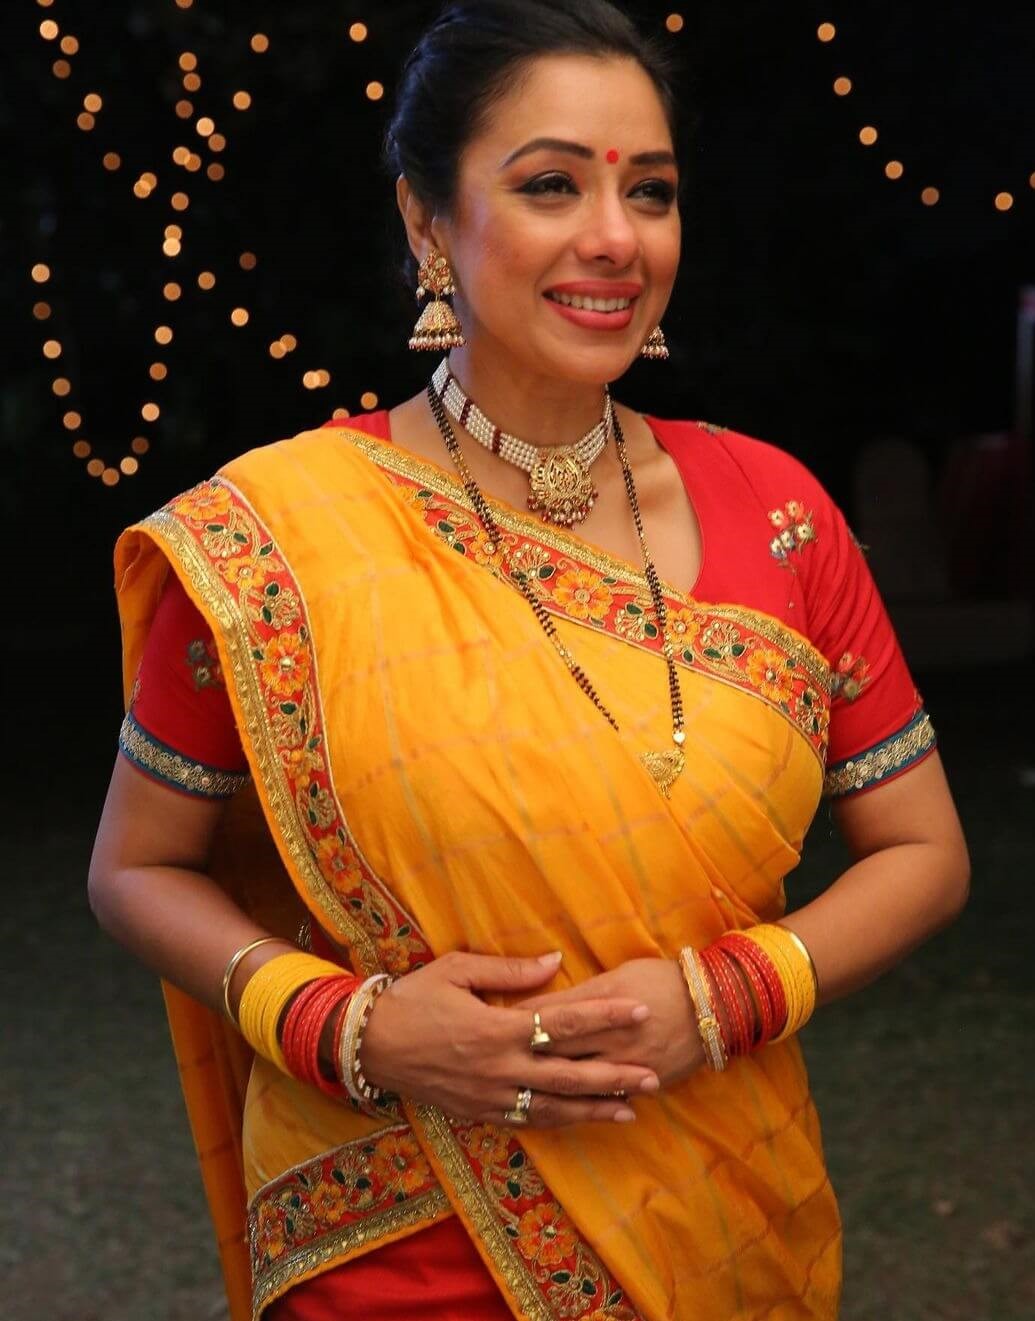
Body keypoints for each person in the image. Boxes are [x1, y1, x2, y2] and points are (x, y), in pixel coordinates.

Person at [88, 2, 970, 1318]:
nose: (616, 236)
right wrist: (349, 1025)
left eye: (650, 191)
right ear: (428, 223)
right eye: (551, 184)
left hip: (719, 1225)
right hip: (396, 1251)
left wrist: (722, 998)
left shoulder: (778, 512)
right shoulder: (280, 536)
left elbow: (925, 850)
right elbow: (134, 868)